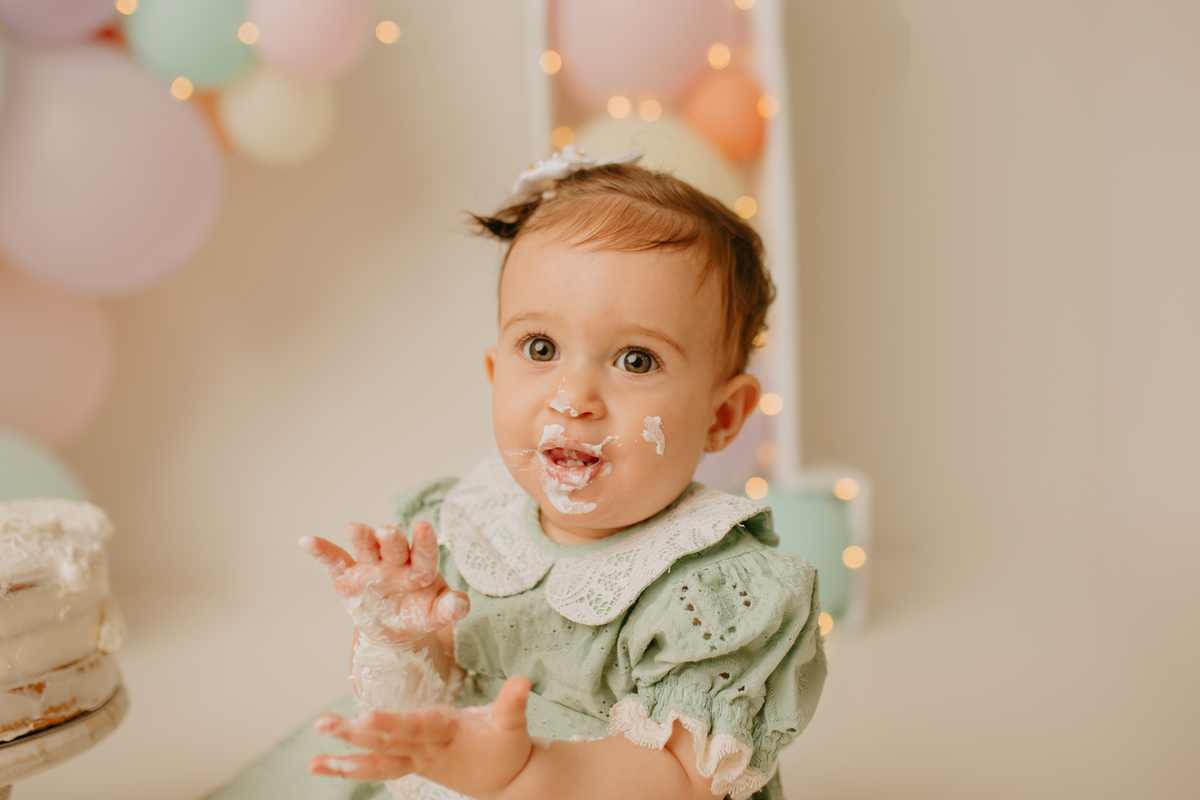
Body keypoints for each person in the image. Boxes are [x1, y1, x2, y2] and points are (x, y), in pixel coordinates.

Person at [210, 147, 825, 800]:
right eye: (541, 349)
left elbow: (682, 777)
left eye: (636, 360)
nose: (572, 396)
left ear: (721, 416)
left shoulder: (714, 593)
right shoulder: (472, 524)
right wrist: (404, 640)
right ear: (495, 374)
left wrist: (524, 773)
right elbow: (427, 707)